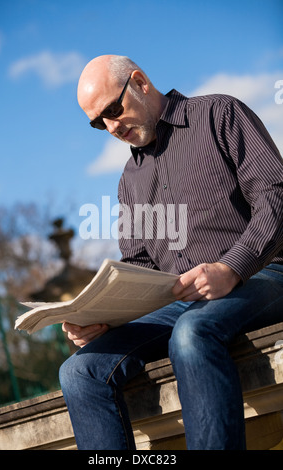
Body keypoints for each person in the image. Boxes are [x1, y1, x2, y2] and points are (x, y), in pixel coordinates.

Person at [59, 55, 283, 450]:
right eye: (99, 122)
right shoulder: (129, 180)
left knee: (191, 332)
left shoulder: (220, 113)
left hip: (264, 275)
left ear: (141, 82)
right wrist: (101, 318)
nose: (111, 127)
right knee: (80, 370)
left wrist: (232, 267)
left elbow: (275, 197)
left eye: (113, 109)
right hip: (182, 303)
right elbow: (140, 264)